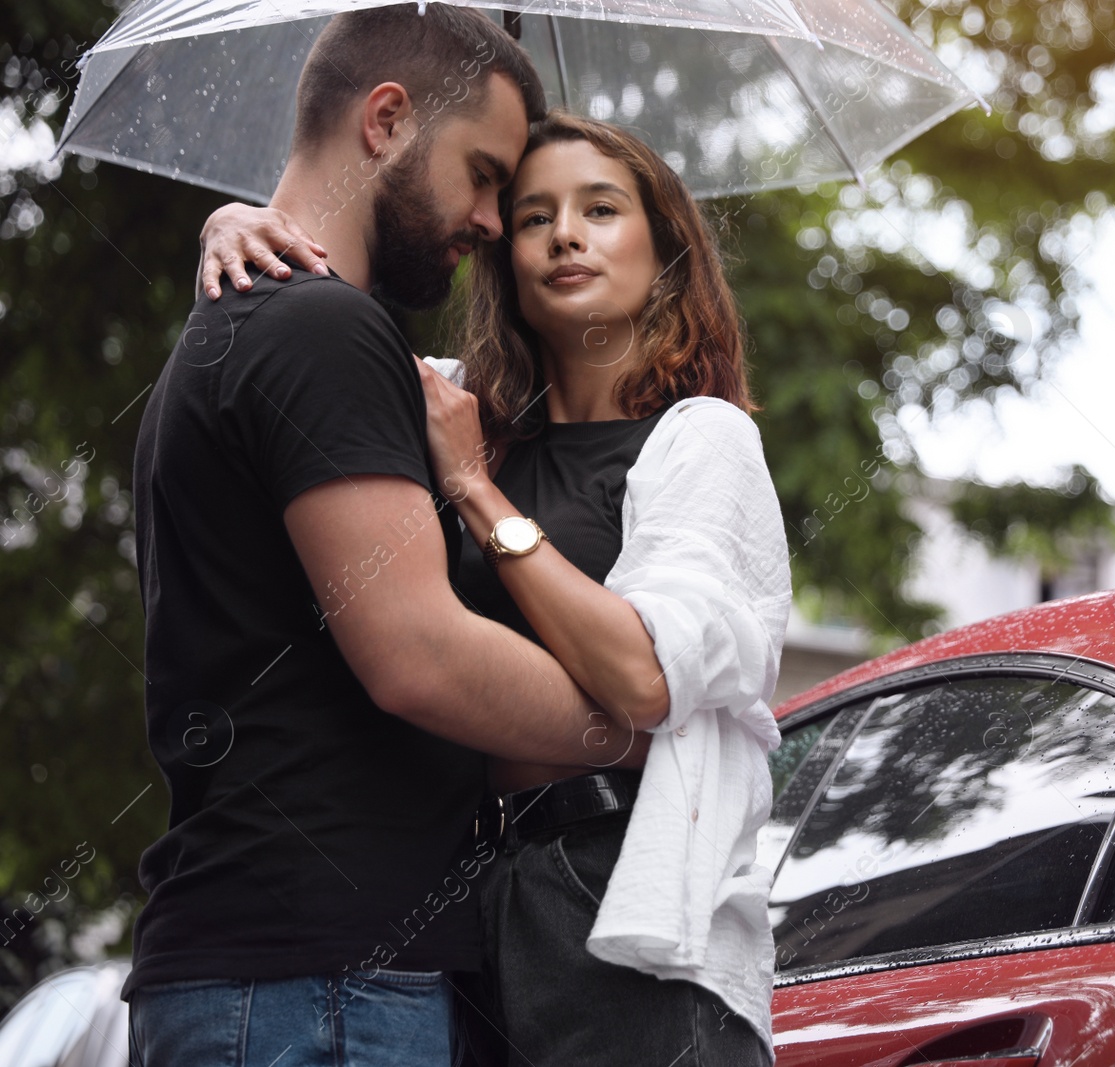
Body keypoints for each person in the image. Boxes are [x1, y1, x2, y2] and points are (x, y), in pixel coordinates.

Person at [198, 112, 792, 1065]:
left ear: (667, 248)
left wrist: (475, 493)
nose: (563, 233)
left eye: (600, 208)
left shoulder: (701, 440)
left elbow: (646, 677)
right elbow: (310, 337)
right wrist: (231, 226)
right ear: (502, 254)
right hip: (464, 909)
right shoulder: (456, 406)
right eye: (531, 216)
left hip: (623, 890)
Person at [128, 10, 642, 1067]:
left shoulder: (244, 321)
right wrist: (636, 724)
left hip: (268, 979)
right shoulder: (322, 328)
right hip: (318, 987)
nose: (497, 221)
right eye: (486, 175)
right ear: (388, 120)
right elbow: (418, 653)